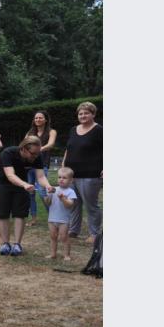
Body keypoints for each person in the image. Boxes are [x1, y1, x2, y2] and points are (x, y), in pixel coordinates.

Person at [0, 136, 55, 256]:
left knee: (20, 213)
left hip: (22, 185)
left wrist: (47, 186)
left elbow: (40, 176)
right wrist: (24, 184)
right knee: (2, 213)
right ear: (24, 149)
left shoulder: (37, 155)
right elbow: (10, 175)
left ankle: (17, 245)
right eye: (33, 153)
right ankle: (5, 243)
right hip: (3, 184)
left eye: (37, 153)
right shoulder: (8, 153)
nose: (36, 156)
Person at [63, 101, 102, 243]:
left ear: (93, 114)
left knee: (91, 205)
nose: (83, 115)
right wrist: (63, 166)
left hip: (91, 174)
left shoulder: (99, 130)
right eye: (80, 113)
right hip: (72, 175)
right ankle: (74, 230)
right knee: (74, 203)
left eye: (86, 113)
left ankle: (94, 233)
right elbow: (69, 149)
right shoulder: (73, 129)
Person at [25, 111, 58, 226]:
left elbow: (51, 144)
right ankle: (33, 218)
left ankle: (53, 217)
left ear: (46, 120)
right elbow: (24, 144)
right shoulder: (30, 132)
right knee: (30, 192)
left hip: (42, 164)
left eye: (40, 118)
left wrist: (37, 150)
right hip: (29, 165)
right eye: (36, 118)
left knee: (42, 191)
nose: (38, 119)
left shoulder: (51, 131)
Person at [44, 167, 78, 261]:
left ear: (71, 180)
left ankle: (66, 255)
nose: (61, 179)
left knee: (64, 237)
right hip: (52, 218)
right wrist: (47, 195)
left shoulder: (71, 192)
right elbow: (47, 202)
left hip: (63, 220)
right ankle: (53, 254)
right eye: (59, 177)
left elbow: (70, 205)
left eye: (64, 178)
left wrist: (63, 199)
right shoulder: (54, 189)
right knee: (53, 236)